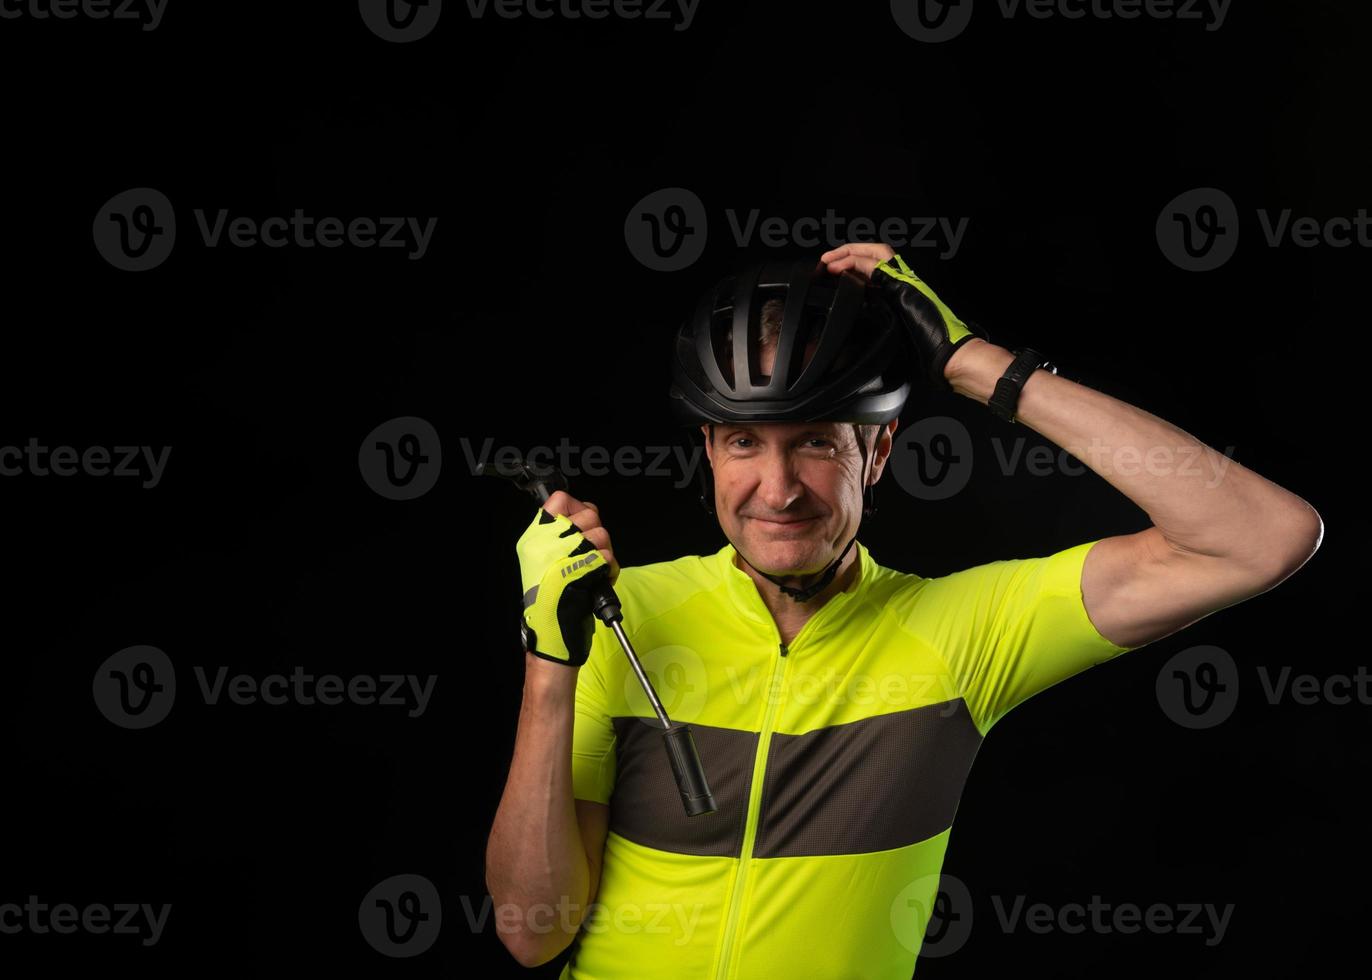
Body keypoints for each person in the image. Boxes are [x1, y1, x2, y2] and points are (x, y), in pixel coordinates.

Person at [485, 241, 1322, 978]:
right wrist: (546, 666)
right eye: (745, 442)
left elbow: (1262, 539)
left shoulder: (965, 632)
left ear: (878, 450)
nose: (777, 492)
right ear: (708, 448)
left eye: (817, 440)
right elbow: (532, 934)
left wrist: (977, 365)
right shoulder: (620, 611)